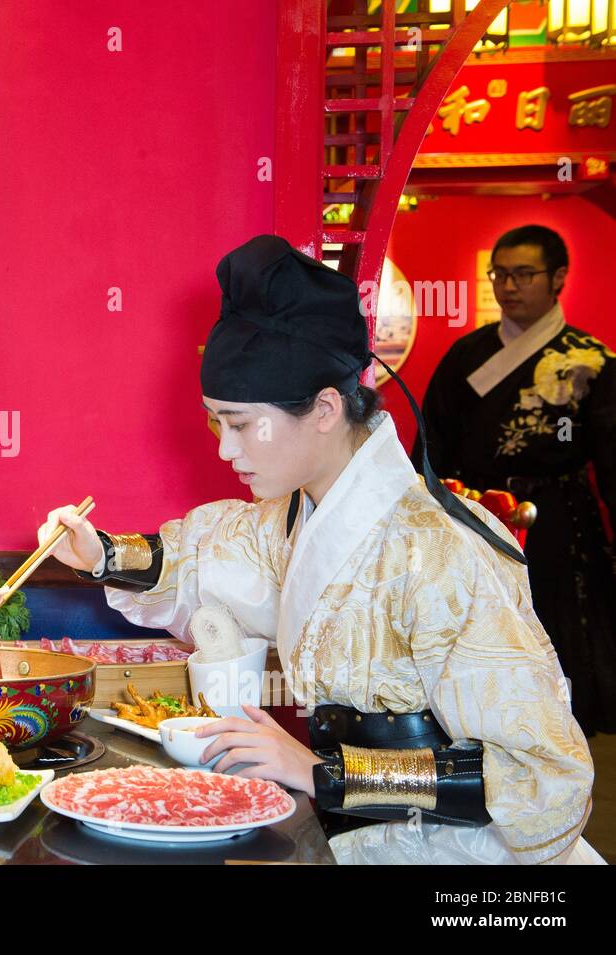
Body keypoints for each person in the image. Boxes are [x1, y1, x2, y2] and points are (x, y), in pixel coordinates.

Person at [42, 235, 598, 864]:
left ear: (326, 408)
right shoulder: (291, 519)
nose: (226, 449)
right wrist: (101, 554)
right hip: (351, 835)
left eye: (241, 424)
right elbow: (198, 558)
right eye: (215, 422)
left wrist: (323, 774)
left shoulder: (440, 550)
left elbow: (543, 778)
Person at [414, 224, 616, 736]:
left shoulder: (591, 361)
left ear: (558, 278)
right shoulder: (467, 355)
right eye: (500, 274)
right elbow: (431, 440)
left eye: (523, 274)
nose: (509, 285)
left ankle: (564, 741)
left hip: (558, 521)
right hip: (477, 517)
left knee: (560, 632)